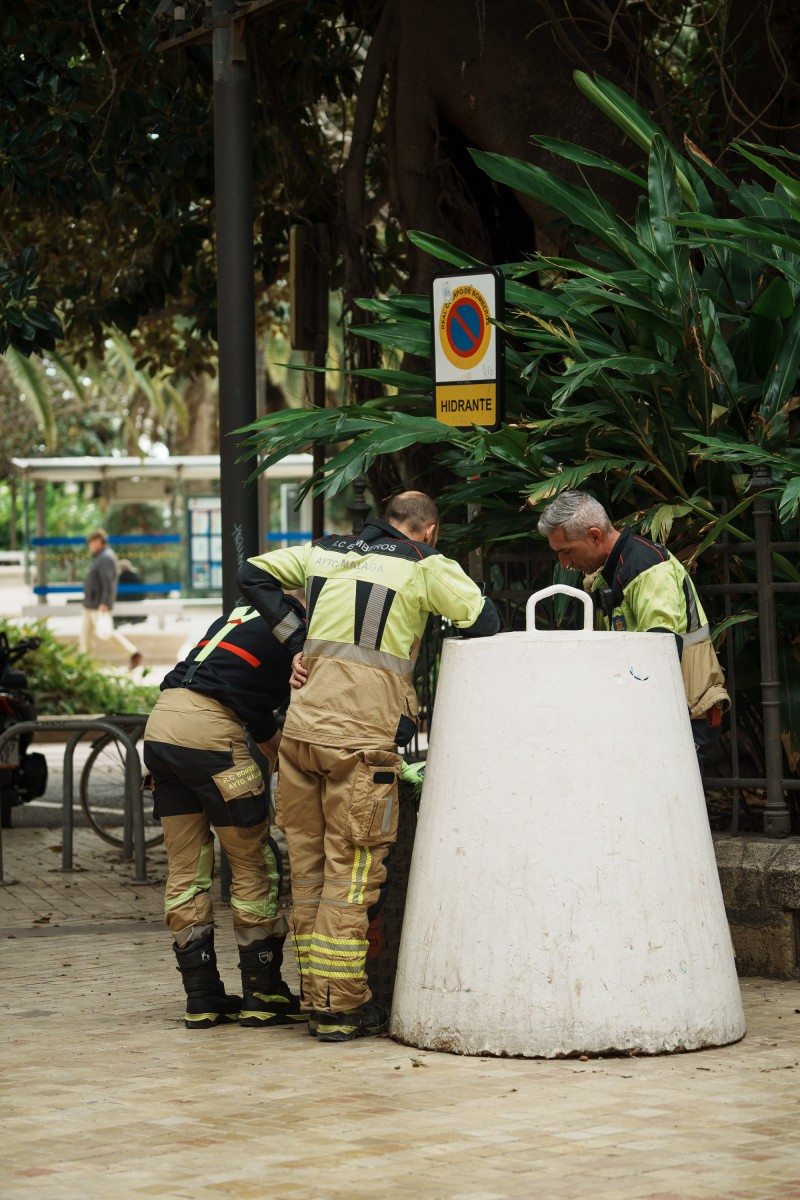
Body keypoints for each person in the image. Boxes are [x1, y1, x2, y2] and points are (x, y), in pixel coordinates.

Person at [236, 490, 500, 1042]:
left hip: (301, 736)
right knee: (352, 873)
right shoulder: (425, 563)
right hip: (359, 742)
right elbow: (484, 622)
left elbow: (252, 572)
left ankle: (317, 995)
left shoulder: (324, 551)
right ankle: (339, 1008)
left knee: (308, 873)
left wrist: (298, 643)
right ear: (429, 530)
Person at [142, 594, 308, 1030]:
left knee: (186, 867)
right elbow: (255, 708)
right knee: (253, 859)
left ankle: (202, 997)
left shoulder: (239, 615)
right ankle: (262, 991)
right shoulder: (297, 628)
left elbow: (251, 705)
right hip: (212, 737)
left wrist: (275, 751)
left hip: (161, 728)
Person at [537, 490, 729, 764]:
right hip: (661, 708)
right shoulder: (612, 570)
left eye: (566, 551)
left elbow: (660, 651)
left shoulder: (645, 567)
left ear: (594, 535)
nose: (564, 564)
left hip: (684, 709)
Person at [79, 529, 142, 670]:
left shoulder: (105, 558)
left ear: (98, 541)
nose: (89, 546)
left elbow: (108, 583)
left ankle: (133, 652)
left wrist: (105, 602)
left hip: (98, 605)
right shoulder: (101, 557)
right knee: (85, 638)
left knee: (107, 633)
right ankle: (84, 666)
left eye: (91, 542)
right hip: (91, 604)